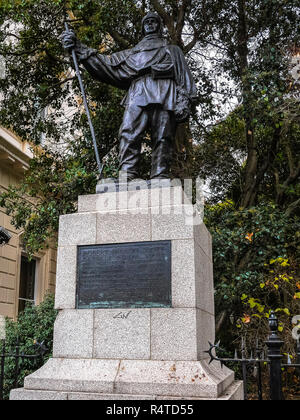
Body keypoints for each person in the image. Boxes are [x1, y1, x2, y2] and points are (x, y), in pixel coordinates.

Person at [61, 12, 197, 181]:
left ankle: (160, 175)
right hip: (138, 92)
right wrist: (78, 47)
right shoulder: (132, 54)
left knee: (163, 135)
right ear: (142, 27)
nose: (150, 24)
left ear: (159, 27)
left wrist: (184, 101)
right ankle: (127, 175)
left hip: (165, 92)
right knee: (128, 132)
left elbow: (184, 77)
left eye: (154, 21)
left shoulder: (173, 51)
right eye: (147, 22)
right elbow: (107, 65)